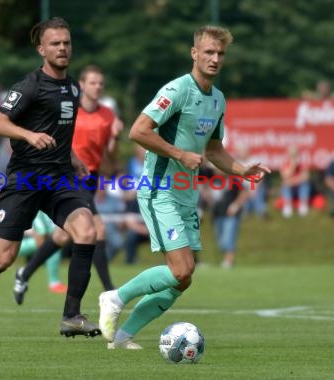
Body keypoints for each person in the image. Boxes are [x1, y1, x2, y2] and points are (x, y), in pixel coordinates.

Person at [98, 25, 270, 349]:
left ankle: (122, 337)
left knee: (184, 279)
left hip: (186, 194)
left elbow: (215, 149)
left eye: (220, 53)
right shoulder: (177, 91)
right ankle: (115, 297)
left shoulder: (217, 100)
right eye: (208, 52)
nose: (215, 59)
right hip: (159, 188)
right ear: (194, 54)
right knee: (181, 268)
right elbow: (137, 131)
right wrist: (179, 154)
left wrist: (242, 170)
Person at [0, 17, 100, 342]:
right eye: (55, 43)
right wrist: (28, 135)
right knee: (4, 257)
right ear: (42, 49)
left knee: (86, 231)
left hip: (59, 179)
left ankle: (71, 315)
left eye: (66, 43)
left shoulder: (72, 87)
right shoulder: (29, 85)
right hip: (25, 180)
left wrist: (74, 158)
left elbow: (60, 131)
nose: (62, 48)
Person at [12, 65, 120, 305]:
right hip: (67, 175)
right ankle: (110, 292)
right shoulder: (71, 111)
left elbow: (109, 161)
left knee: (62, 236)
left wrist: (115, 139)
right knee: (98, 229)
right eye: (93, 83)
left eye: (101, 83)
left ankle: (24, 273)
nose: (98, 87)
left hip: (90, 178)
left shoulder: (108, 117)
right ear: (81, 85)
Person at [280, 145, 311, 217]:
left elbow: (306, 177)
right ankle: (288, 206)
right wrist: (293, 165)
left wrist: (293, 181)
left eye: (295, 155)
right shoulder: (285, 164)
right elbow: (285, 177)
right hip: (290, 188)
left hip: (300, 188)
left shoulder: (302, 164)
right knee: (285, 186)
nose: (293, 157)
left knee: (305, 184)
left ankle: (303, 205)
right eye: (292, 155)